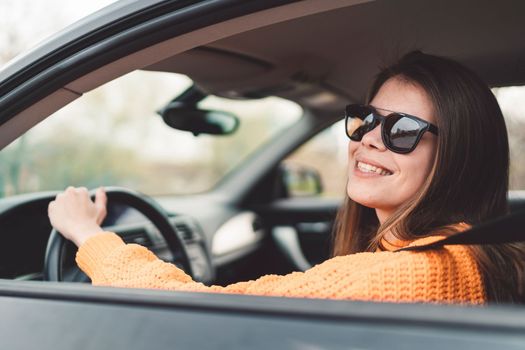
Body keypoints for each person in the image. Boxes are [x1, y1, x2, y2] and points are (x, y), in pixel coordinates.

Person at [47, 51, 525, 304]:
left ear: (460, 156)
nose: (369, 140)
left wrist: (89, 234)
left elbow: (198, 314)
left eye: (403, 130)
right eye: (366, 118)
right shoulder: (471, 255)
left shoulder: (404, 275)